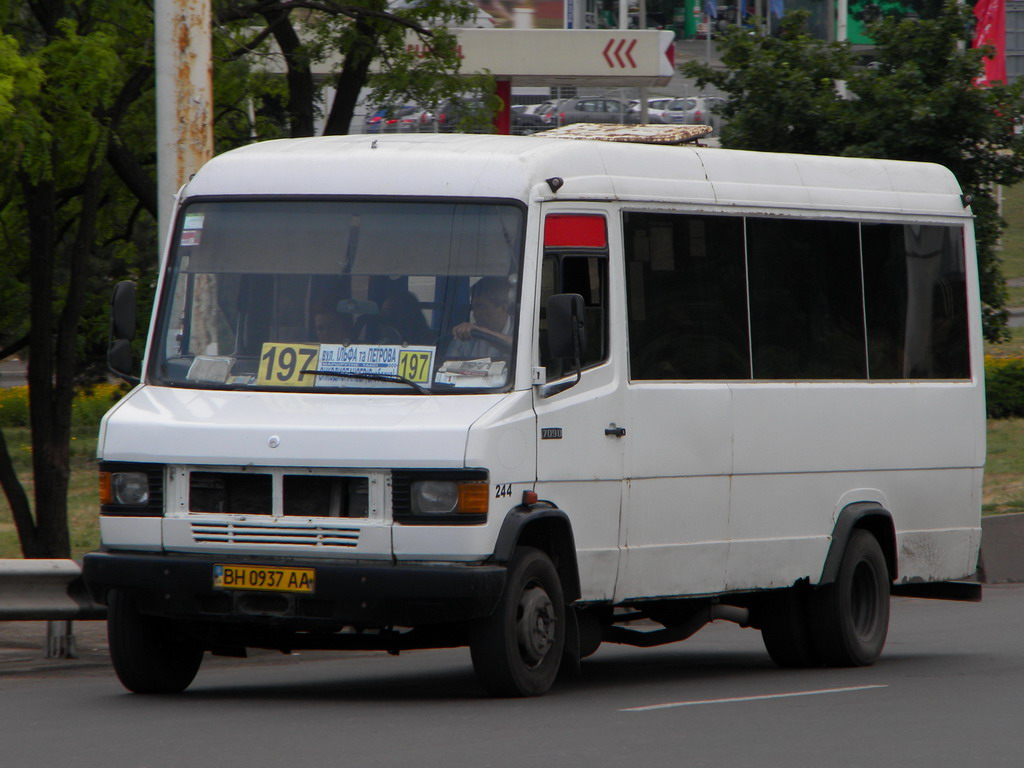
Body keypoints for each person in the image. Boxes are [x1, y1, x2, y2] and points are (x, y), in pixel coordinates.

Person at [446, 276, 514, 360]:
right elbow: (448, 365)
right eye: (474, 308)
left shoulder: (521, 328)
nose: (476, 314)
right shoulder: (466, 335)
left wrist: (483, 332)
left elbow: (520, 347)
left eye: (482, 307)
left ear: (503, 307)